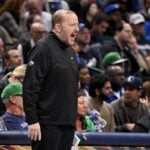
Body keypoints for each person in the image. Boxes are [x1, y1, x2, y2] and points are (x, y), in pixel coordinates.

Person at [23, 9, 79, 150]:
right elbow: (30, 86)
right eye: (72, 25)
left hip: (67, 124)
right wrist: (32, 120)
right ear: (58, 27)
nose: (77, 29)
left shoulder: (70, 51)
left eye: (77, 25)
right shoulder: (42, 48)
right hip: (47, 125)